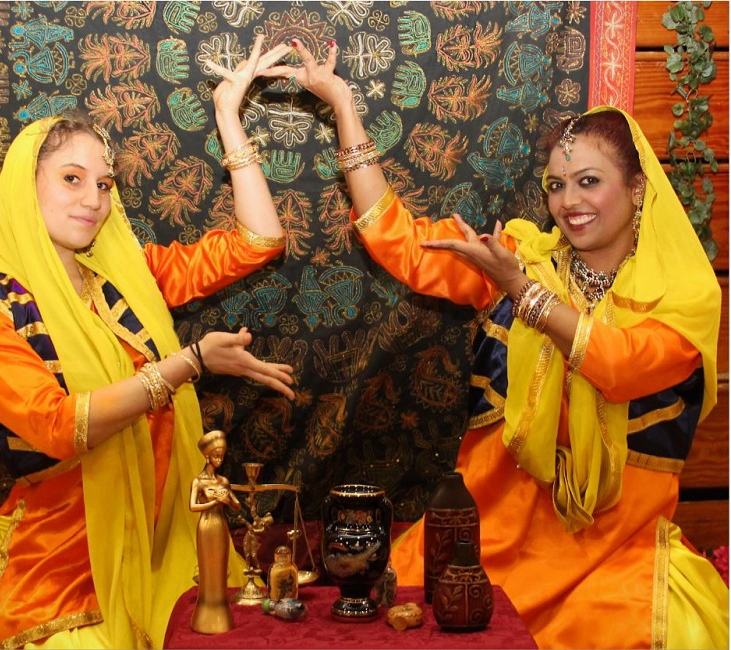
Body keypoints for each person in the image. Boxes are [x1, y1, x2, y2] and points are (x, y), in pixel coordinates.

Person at [262, 41, 729, 648]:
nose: (570, 203)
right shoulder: (521, 255)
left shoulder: (683, 296)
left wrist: (522, 292)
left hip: (615, 551)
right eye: (557, 185)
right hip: (484, 543)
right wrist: (343, 107)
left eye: (589, 181)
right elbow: (397, 242)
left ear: (638, 189)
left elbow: (619, 367)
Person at [0, 36, 294, 649]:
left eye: (105, 185)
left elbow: (260, 240)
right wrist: (189, 363)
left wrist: (228, 118)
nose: (93, 200)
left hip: (165, 555)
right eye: (72, 178)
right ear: (27, 187)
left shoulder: (129, 282)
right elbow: (59, 426)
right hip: (60, 575)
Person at [189, 430, 241, 635]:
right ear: (207, 456)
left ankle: (222, 613)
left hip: (220, 526)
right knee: (207, 570)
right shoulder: (198, 482)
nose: (219, 459)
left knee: (220, 570)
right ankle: (203, 615)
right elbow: (192, 507)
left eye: (222, 455)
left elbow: (236, 506)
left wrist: (227, 498)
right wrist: (213, 501)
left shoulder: (223, 481)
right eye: (216, 456)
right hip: (206, 527)